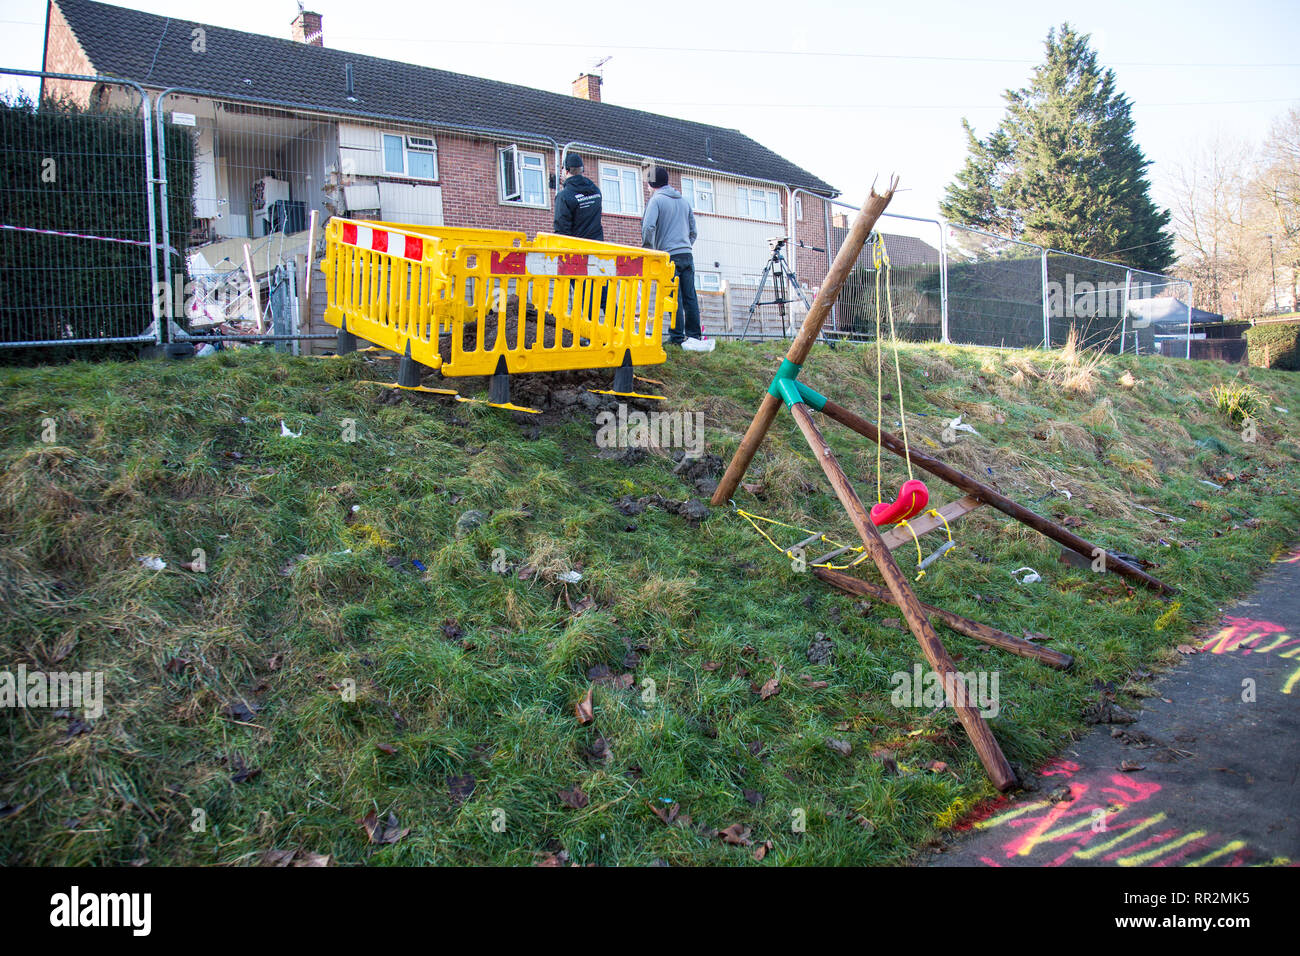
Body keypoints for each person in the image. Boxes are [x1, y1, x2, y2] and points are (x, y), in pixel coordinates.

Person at [641, 165, 714, 352]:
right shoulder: (683, 201)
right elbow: (693, 231)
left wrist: (649, 250)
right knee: (690, 296)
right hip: (687, 254)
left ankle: (676, 336)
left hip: (669, 255)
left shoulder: (656, 201)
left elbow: (649, 226)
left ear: (651, 184)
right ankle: (694, 336)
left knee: (675, 297)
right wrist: (685, 244)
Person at [553, 153, 603, 240]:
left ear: (566, 171)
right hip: (597, 246)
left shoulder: (564, 196)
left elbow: (561, 230)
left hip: (577, 249)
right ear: (582, 170)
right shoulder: (596, 190)